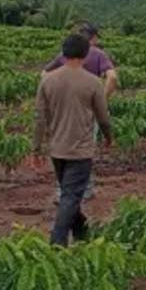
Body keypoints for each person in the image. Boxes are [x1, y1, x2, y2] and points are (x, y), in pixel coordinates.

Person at [33, 33, 113, 246]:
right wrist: (109, 137)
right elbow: (103, 117)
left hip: (57, 150)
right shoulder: (94, 82)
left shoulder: (47, 80)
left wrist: (36, 148)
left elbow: (40, 118)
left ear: (63, 53)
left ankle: (82, 233)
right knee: (70, 197)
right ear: (85, 55)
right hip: (80, 151)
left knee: (70, 194)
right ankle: (57, 243)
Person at [42, 23, 117, 201]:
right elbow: (113, 77)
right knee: (85, 149)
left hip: (63, 110)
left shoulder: (65, 56)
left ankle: (62, 191)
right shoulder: (98, 54)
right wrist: (101, 99)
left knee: (61, 147)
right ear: (94, 38)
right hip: (87, 111)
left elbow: (44, 74)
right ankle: (85, 190)